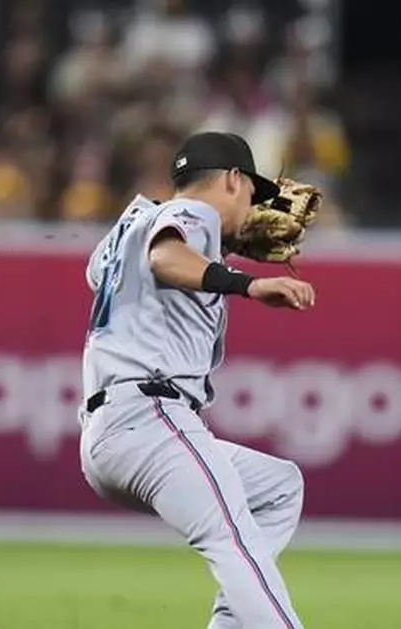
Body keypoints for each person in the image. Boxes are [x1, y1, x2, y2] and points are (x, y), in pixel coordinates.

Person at [78, 132, 314, 629]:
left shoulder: (131, 223)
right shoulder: (195, 215)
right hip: (150, 417)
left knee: (278, 487)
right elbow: (165, 258)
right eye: (253, 194)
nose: (254, 209)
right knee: (235, 545)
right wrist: (247, 282)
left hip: (112, 431)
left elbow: (102, 274)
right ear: (232, 179)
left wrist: (220, 252)